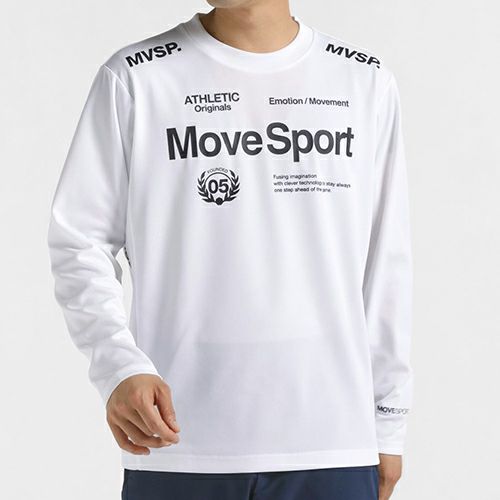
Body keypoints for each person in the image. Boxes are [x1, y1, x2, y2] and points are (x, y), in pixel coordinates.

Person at [47, 0, 414, 499]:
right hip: (178, 442)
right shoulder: (137, 78)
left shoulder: (362, 81)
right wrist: (119, 366)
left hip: (329, 442)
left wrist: (388, 420)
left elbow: (387, 260)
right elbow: (80, 240)